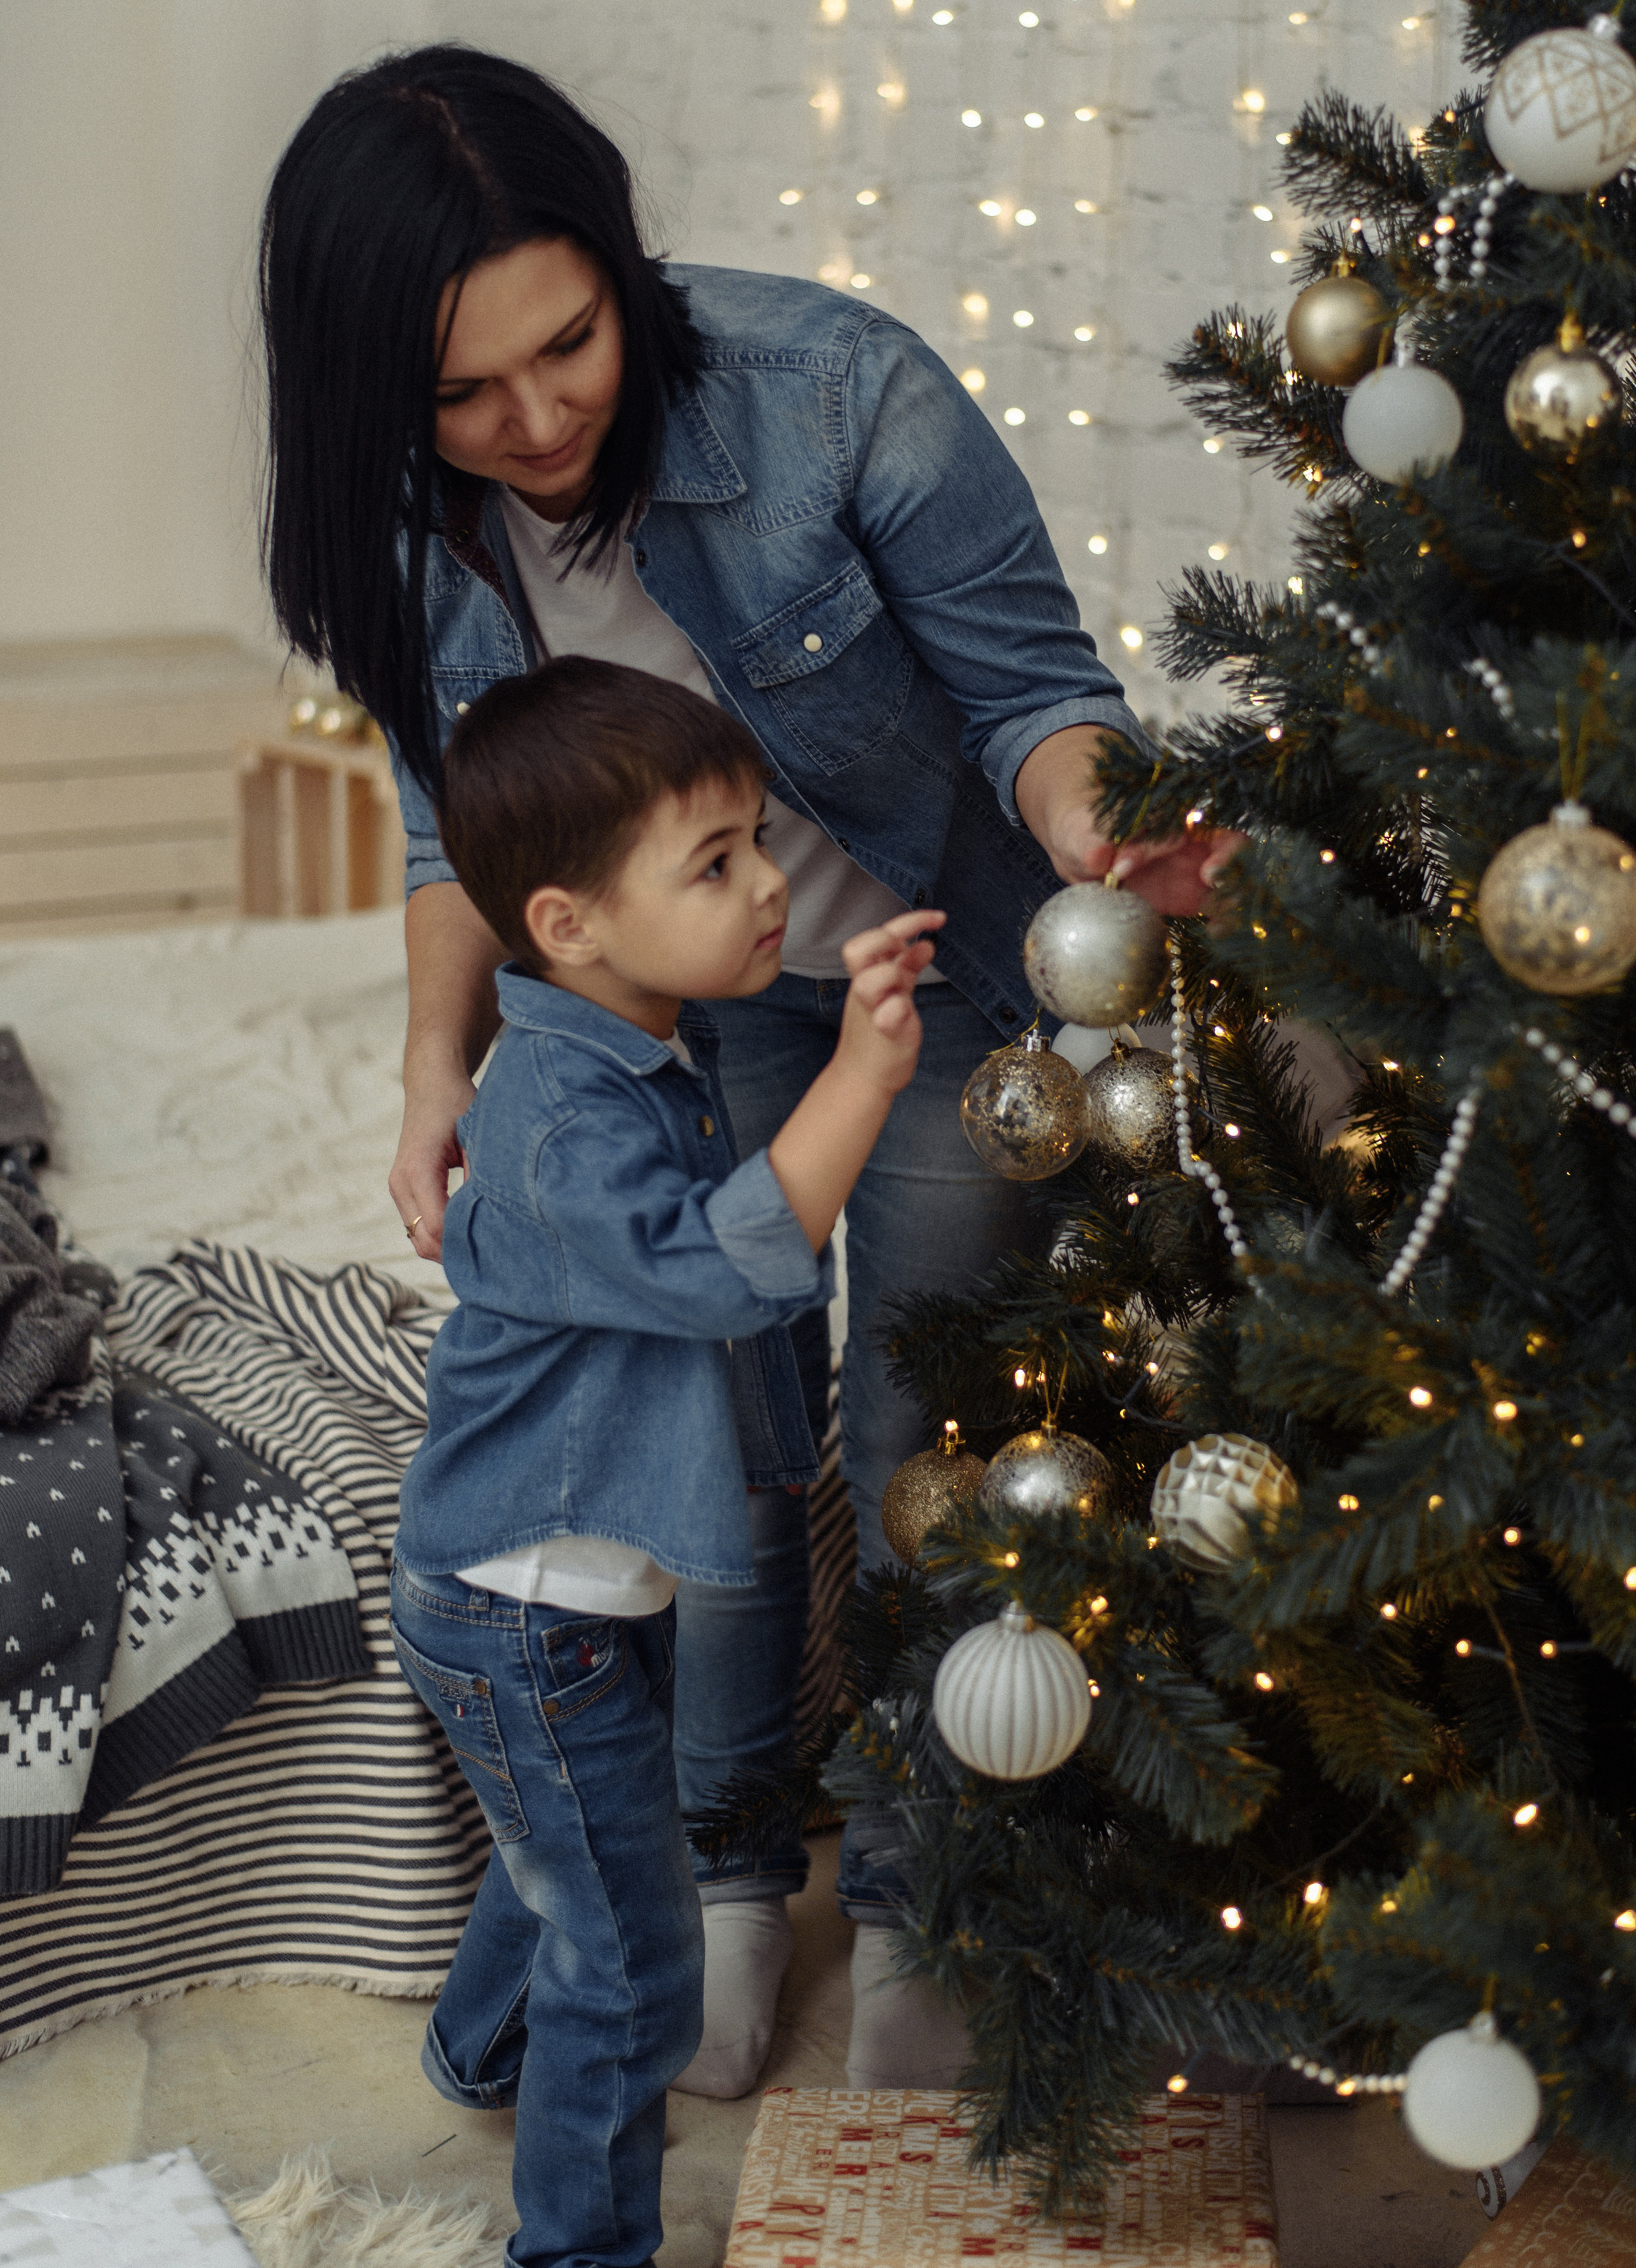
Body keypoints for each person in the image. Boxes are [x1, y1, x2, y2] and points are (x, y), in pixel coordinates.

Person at [259, 43, 1234, 2094]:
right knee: (698, 1452)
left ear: (622, 268)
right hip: (653, 1024)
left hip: (927, 963)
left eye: (572, 342)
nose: (535, 422)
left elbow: (1039, 696)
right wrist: (435, 1061)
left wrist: (1093, 833)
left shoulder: (836, 396)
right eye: (463, 392)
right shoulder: (410, 529)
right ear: (370, 390)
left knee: (916, 1439)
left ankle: (911, 1895)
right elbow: (465, 829)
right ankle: (718, 1880)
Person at [390, 653, 940, 2268]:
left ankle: (474, 2056)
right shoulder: (558, 1124)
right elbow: (721, 1275)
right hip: (520, 1608)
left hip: (581, 1582)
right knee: (632, 1959)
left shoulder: (650, 1044)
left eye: (757, 839)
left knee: (563, 1853)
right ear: (566, 927)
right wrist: (855, 1079)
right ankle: (577, 2251)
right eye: (714, 864)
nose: (769, 885)